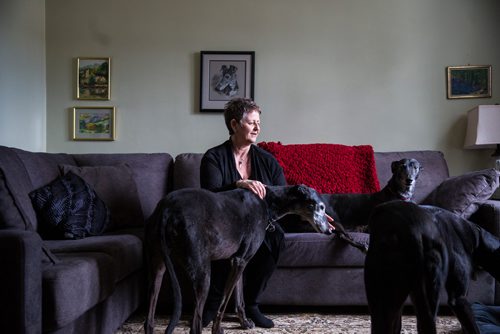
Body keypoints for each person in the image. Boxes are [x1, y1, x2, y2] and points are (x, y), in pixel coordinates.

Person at [200, 97, 286, 328]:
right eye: (251, 123)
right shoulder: (213, 157)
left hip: (260, 222)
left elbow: (280, 195)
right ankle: (212, 305)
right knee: (221, 240)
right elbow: (209, 196)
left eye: (259, 122)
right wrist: (239, 184)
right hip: (224, 222)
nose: (258, 128)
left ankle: (252, 305)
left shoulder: (267, 161)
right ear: (235, 125)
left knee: (276, 237)